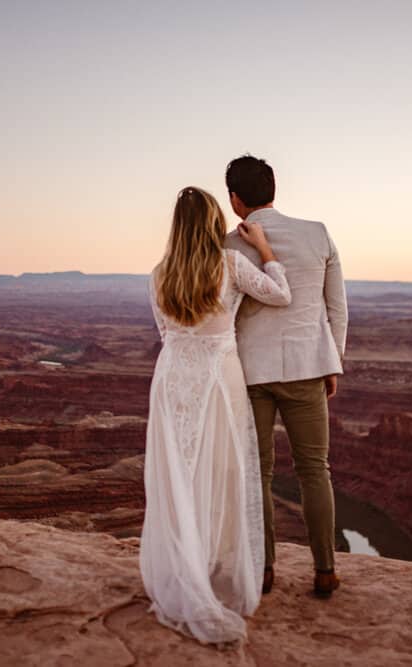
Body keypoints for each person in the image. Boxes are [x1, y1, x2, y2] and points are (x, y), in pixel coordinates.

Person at [139, 185, 291, 645]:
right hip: (216, 379)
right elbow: (280, 294)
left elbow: (166, 331)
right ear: (211, 224)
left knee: (178, 476)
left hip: (172, 381)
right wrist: (265, 249)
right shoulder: (230, 264)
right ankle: (211, 574)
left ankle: (185, 573)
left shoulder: (159, 273)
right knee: (221, 473)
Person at [223, 154, 349, 599]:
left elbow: (221, 315)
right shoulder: (317, 233)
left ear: (235, 200)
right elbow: (337, 307)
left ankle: (264, 571)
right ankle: (325, 569)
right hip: (307, 369)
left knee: (257, 473)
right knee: (315, 470)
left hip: (249, 374)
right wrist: (333, 362)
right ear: (272, 190)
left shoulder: (227, 244)